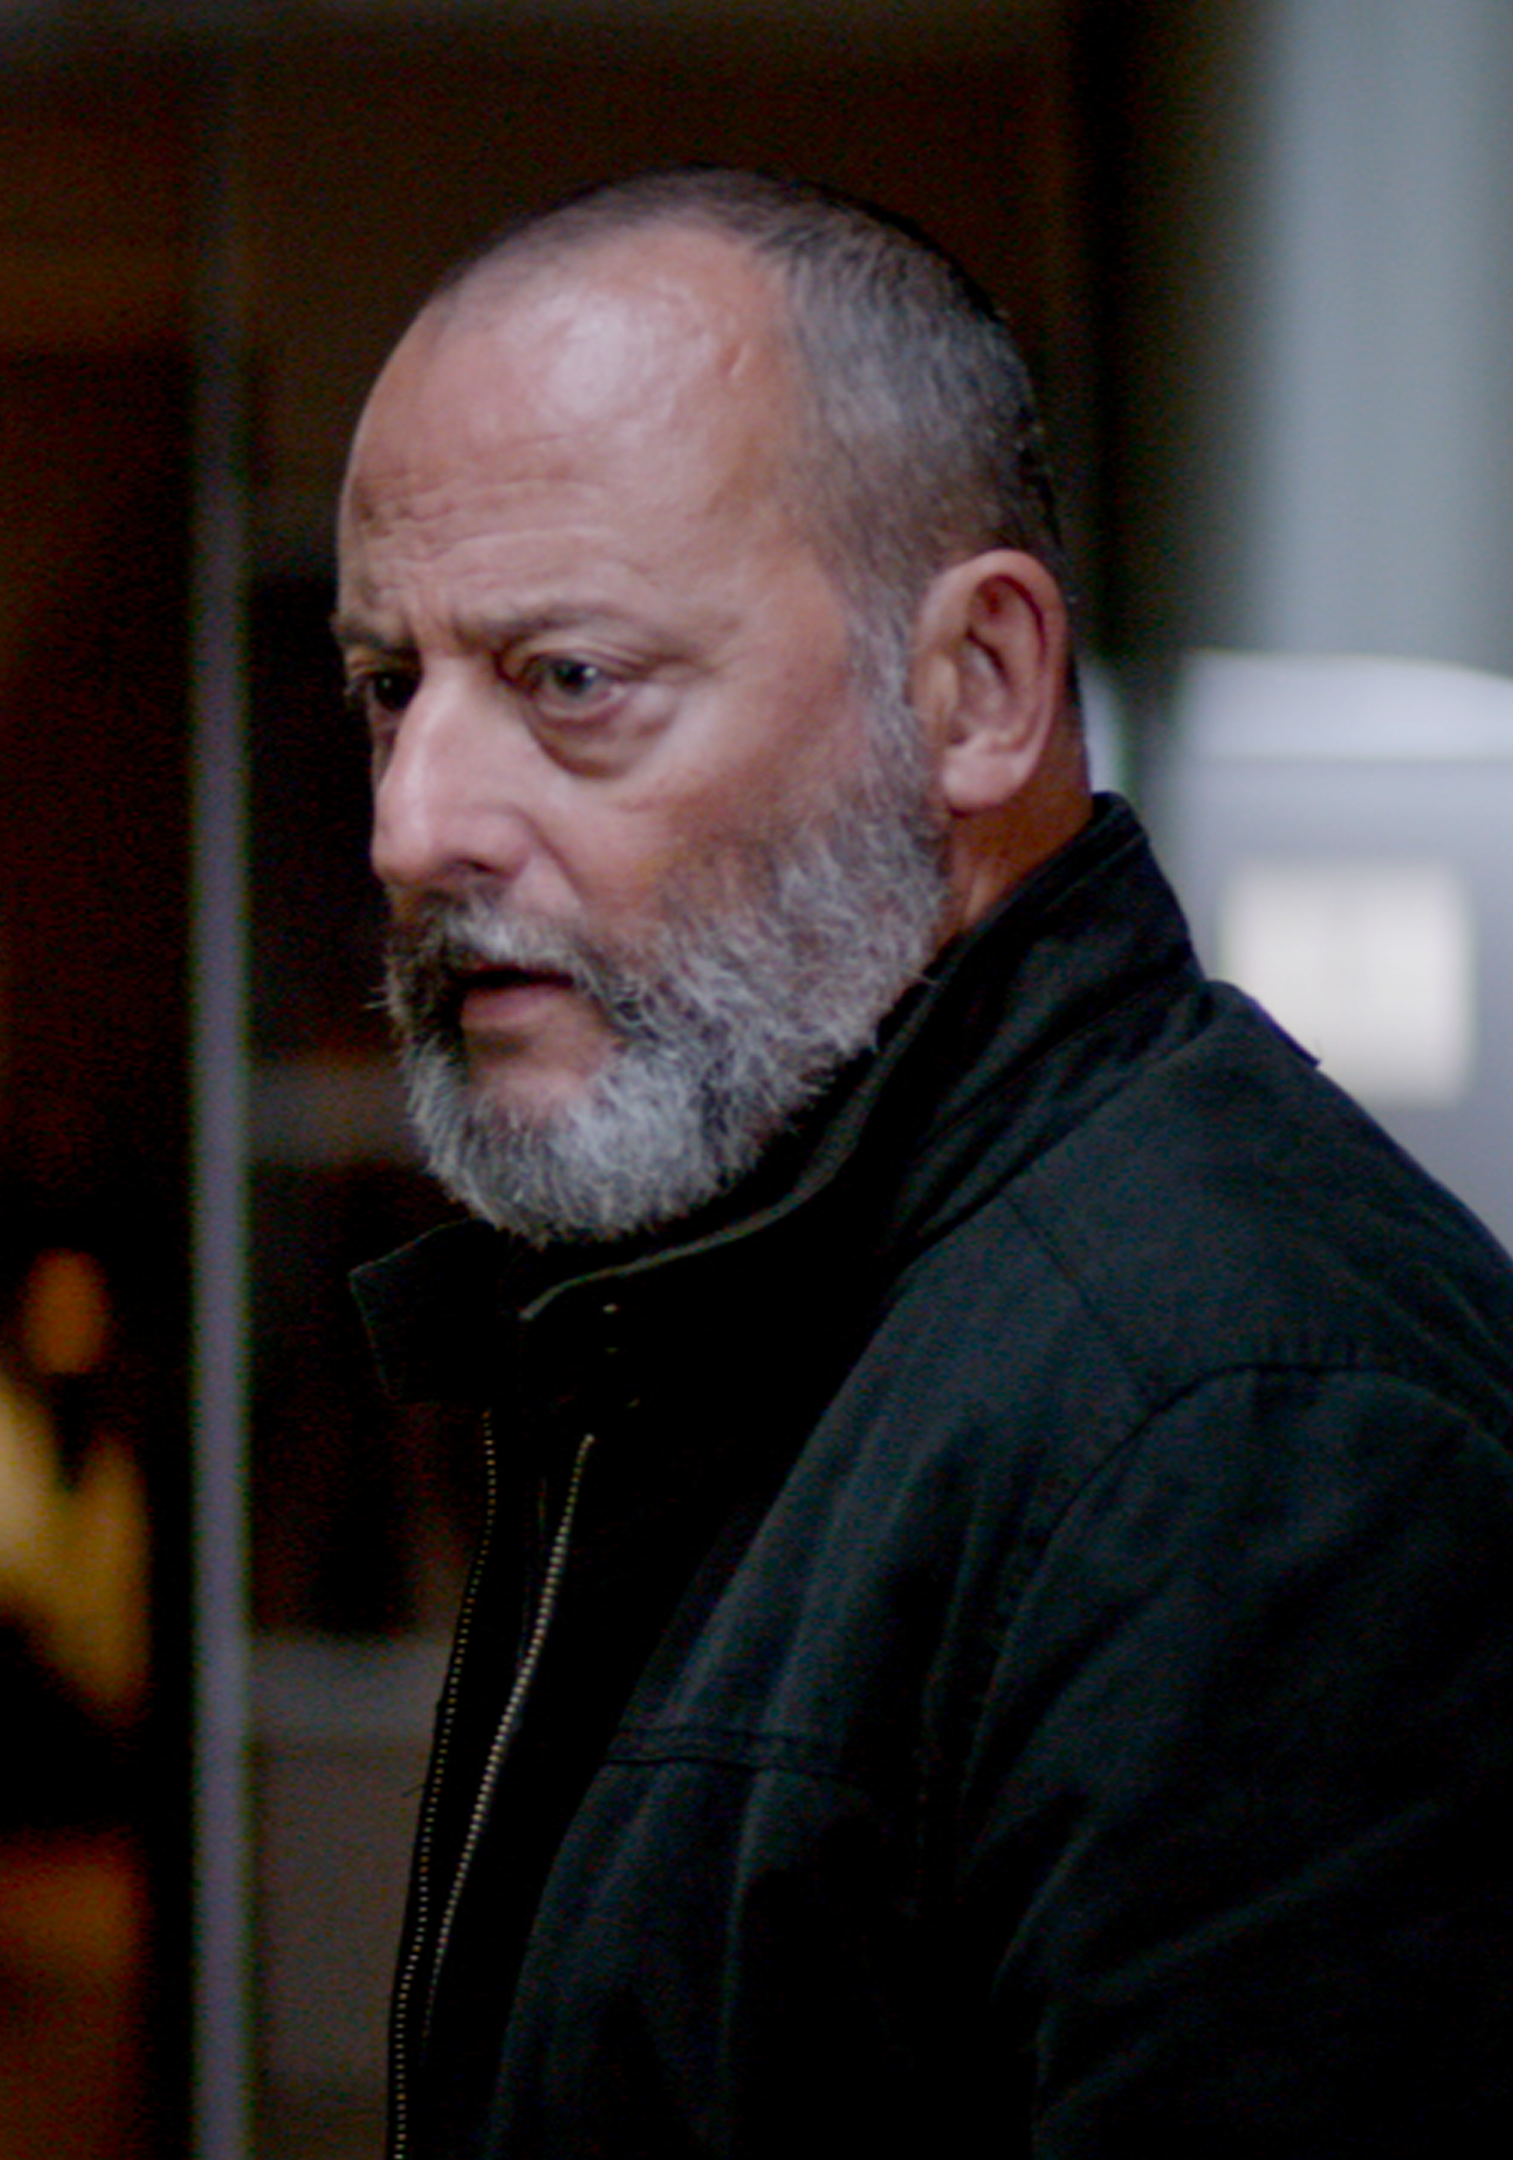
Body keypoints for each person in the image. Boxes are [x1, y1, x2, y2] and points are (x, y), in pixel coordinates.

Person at [332, 168, 1513, 2158]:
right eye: (390, 687)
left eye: (569, 680)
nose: (414, 823)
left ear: (976, 687)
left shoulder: (1252, 1439)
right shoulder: (724, 1305)